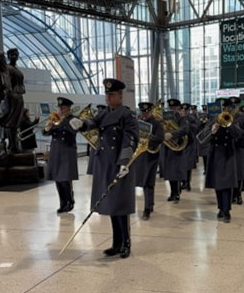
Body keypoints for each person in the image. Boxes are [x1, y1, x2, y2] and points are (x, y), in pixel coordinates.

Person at [70, 78, 140, 258]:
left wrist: (124, 162)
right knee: (111, 206)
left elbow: (131, 139)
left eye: (111, 95)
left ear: (120, 96)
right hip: (105, 164)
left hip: (119, 165)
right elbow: (92, 122)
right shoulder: (105, 113)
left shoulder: (127, 115)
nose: (108, 98)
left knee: (121, 206)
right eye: (107, 95)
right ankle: (116, 243)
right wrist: (82, 124)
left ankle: (126, 243)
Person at [198, 103, 239, 222]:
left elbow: (239, 135)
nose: (224, 110)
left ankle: (226, 210)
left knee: (226, 184)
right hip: (215, 154)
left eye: (225, 108)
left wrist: (229, 126)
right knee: (218, 184)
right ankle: (221, 208)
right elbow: (201, 140)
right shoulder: (211, 122)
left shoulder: (232, 120)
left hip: (228, 154)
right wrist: (212, 132)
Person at [44, 97, 79, 213]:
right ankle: (62, 203)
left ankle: (70, 201)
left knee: (65, 178)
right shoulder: (56, 119)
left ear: (68, 108)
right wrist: (48, 125)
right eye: (60, 108)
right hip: (56, 150)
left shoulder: (73, 119)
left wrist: (62, 120)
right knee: (57, 179)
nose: (61, 110)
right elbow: (46, 133)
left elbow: (73, 130)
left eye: (63, 108)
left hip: (67, 150)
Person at [133, 101, 163, 220]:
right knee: (141, 180)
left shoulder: (156, 123)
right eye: (142, 112)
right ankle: (150, 204)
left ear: (150, 111)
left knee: (148, 182)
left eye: (146, 112)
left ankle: (147, 209)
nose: (144, 115)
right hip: (139, 155)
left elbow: (160, 137)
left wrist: (147, 140)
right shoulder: (137, 122)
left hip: (151, 156)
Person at [161, 99, 191, 203]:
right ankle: (172, 193)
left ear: (178, 108)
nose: (172, 109)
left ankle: (177, 193)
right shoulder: (165, 117)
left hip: (178, 147)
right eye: (170, 107)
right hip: (167, 147)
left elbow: (185, 129)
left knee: (176, 171)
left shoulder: (181, 118)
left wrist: (172, 134)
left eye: (174, 108)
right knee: (169, 172)